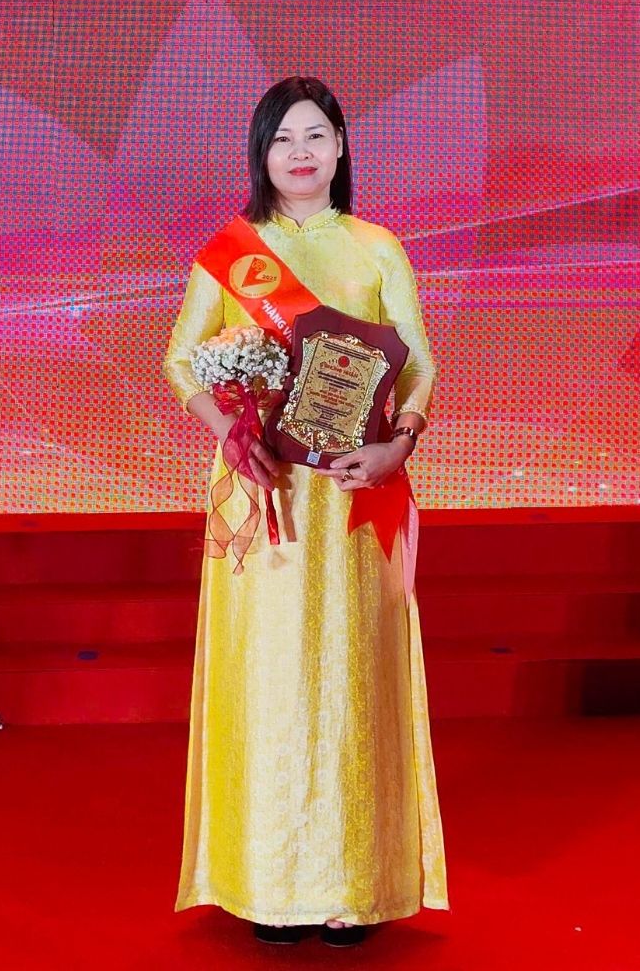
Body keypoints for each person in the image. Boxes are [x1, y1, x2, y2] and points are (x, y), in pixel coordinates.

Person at [162, 76, 447, 948]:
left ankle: (351, 883)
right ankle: (264, 879)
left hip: (356, 494)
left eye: (316, 135)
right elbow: (181, 361)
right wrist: (231, 433)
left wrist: (400, 444)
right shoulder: (232, 253)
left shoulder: (376, 248)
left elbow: (418, 364)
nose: (300, 152)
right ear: (261, 151)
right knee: (267, 674)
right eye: (283, 137)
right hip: (264, 493)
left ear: (341, 148)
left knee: (351, 674)